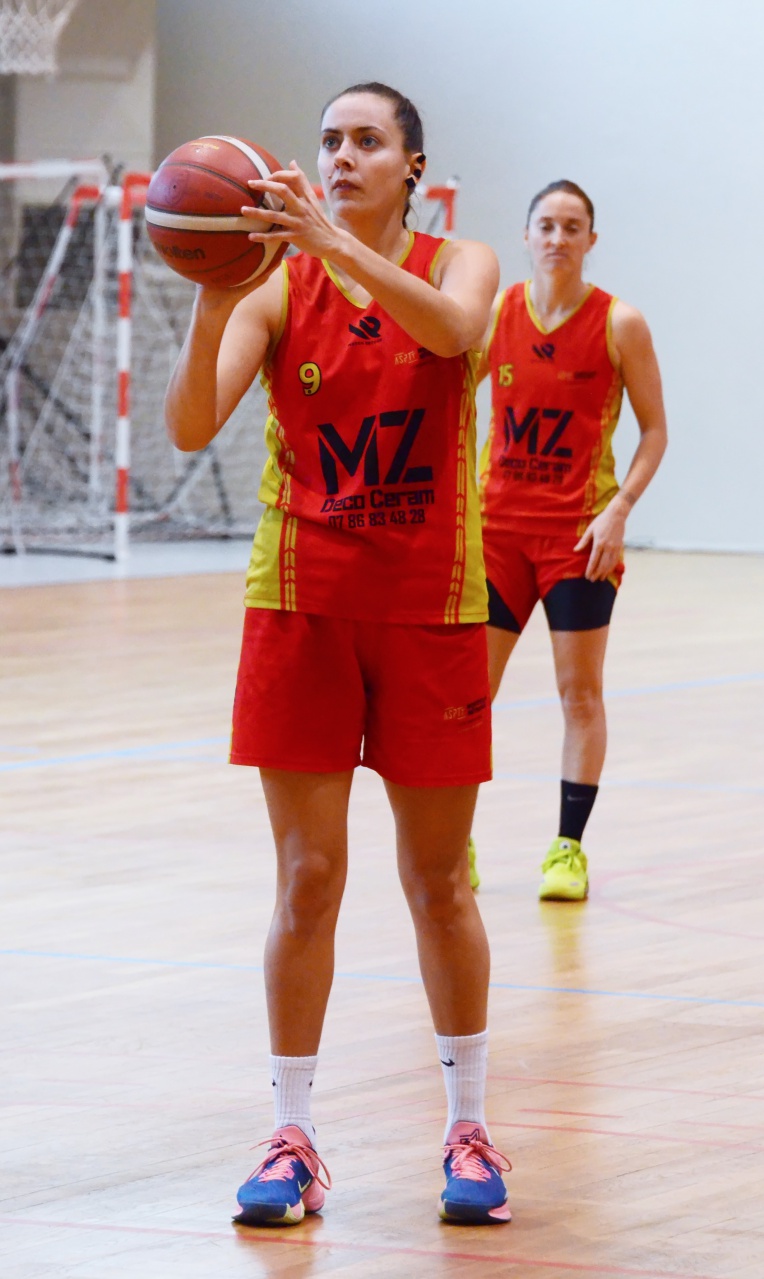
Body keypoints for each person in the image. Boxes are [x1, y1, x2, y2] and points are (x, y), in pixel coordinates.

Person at [165, 83, 511, 1226]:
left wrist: (329, 244)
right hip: (300, 603)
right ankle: (292, 1133)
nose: (343, 155)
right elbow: (190, 424)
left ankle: (467, 1124)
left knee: (437, 881)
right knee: (307, 877)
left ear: (412, 165)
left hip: (428, 606)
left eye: (368, 141)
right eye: (329, 140)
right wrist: (213, 293)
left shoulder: (462, 261)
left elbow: (452, 332)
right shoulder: (273, 282)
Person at [473, 180, 667, 901]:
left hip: (579, 539)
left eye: (572, 226)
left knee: (579, 693)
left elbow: (655, 431)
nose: (558, 238)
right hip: (496, 532)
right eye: (546, 225)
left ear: (591, 239)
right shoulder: (495, 314)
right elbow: (449, 401)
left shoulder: (620, 323)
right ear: (526, 236)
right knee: (468, 697)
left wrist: (620, 508)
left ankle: (568, 849)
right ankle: (452, 838)